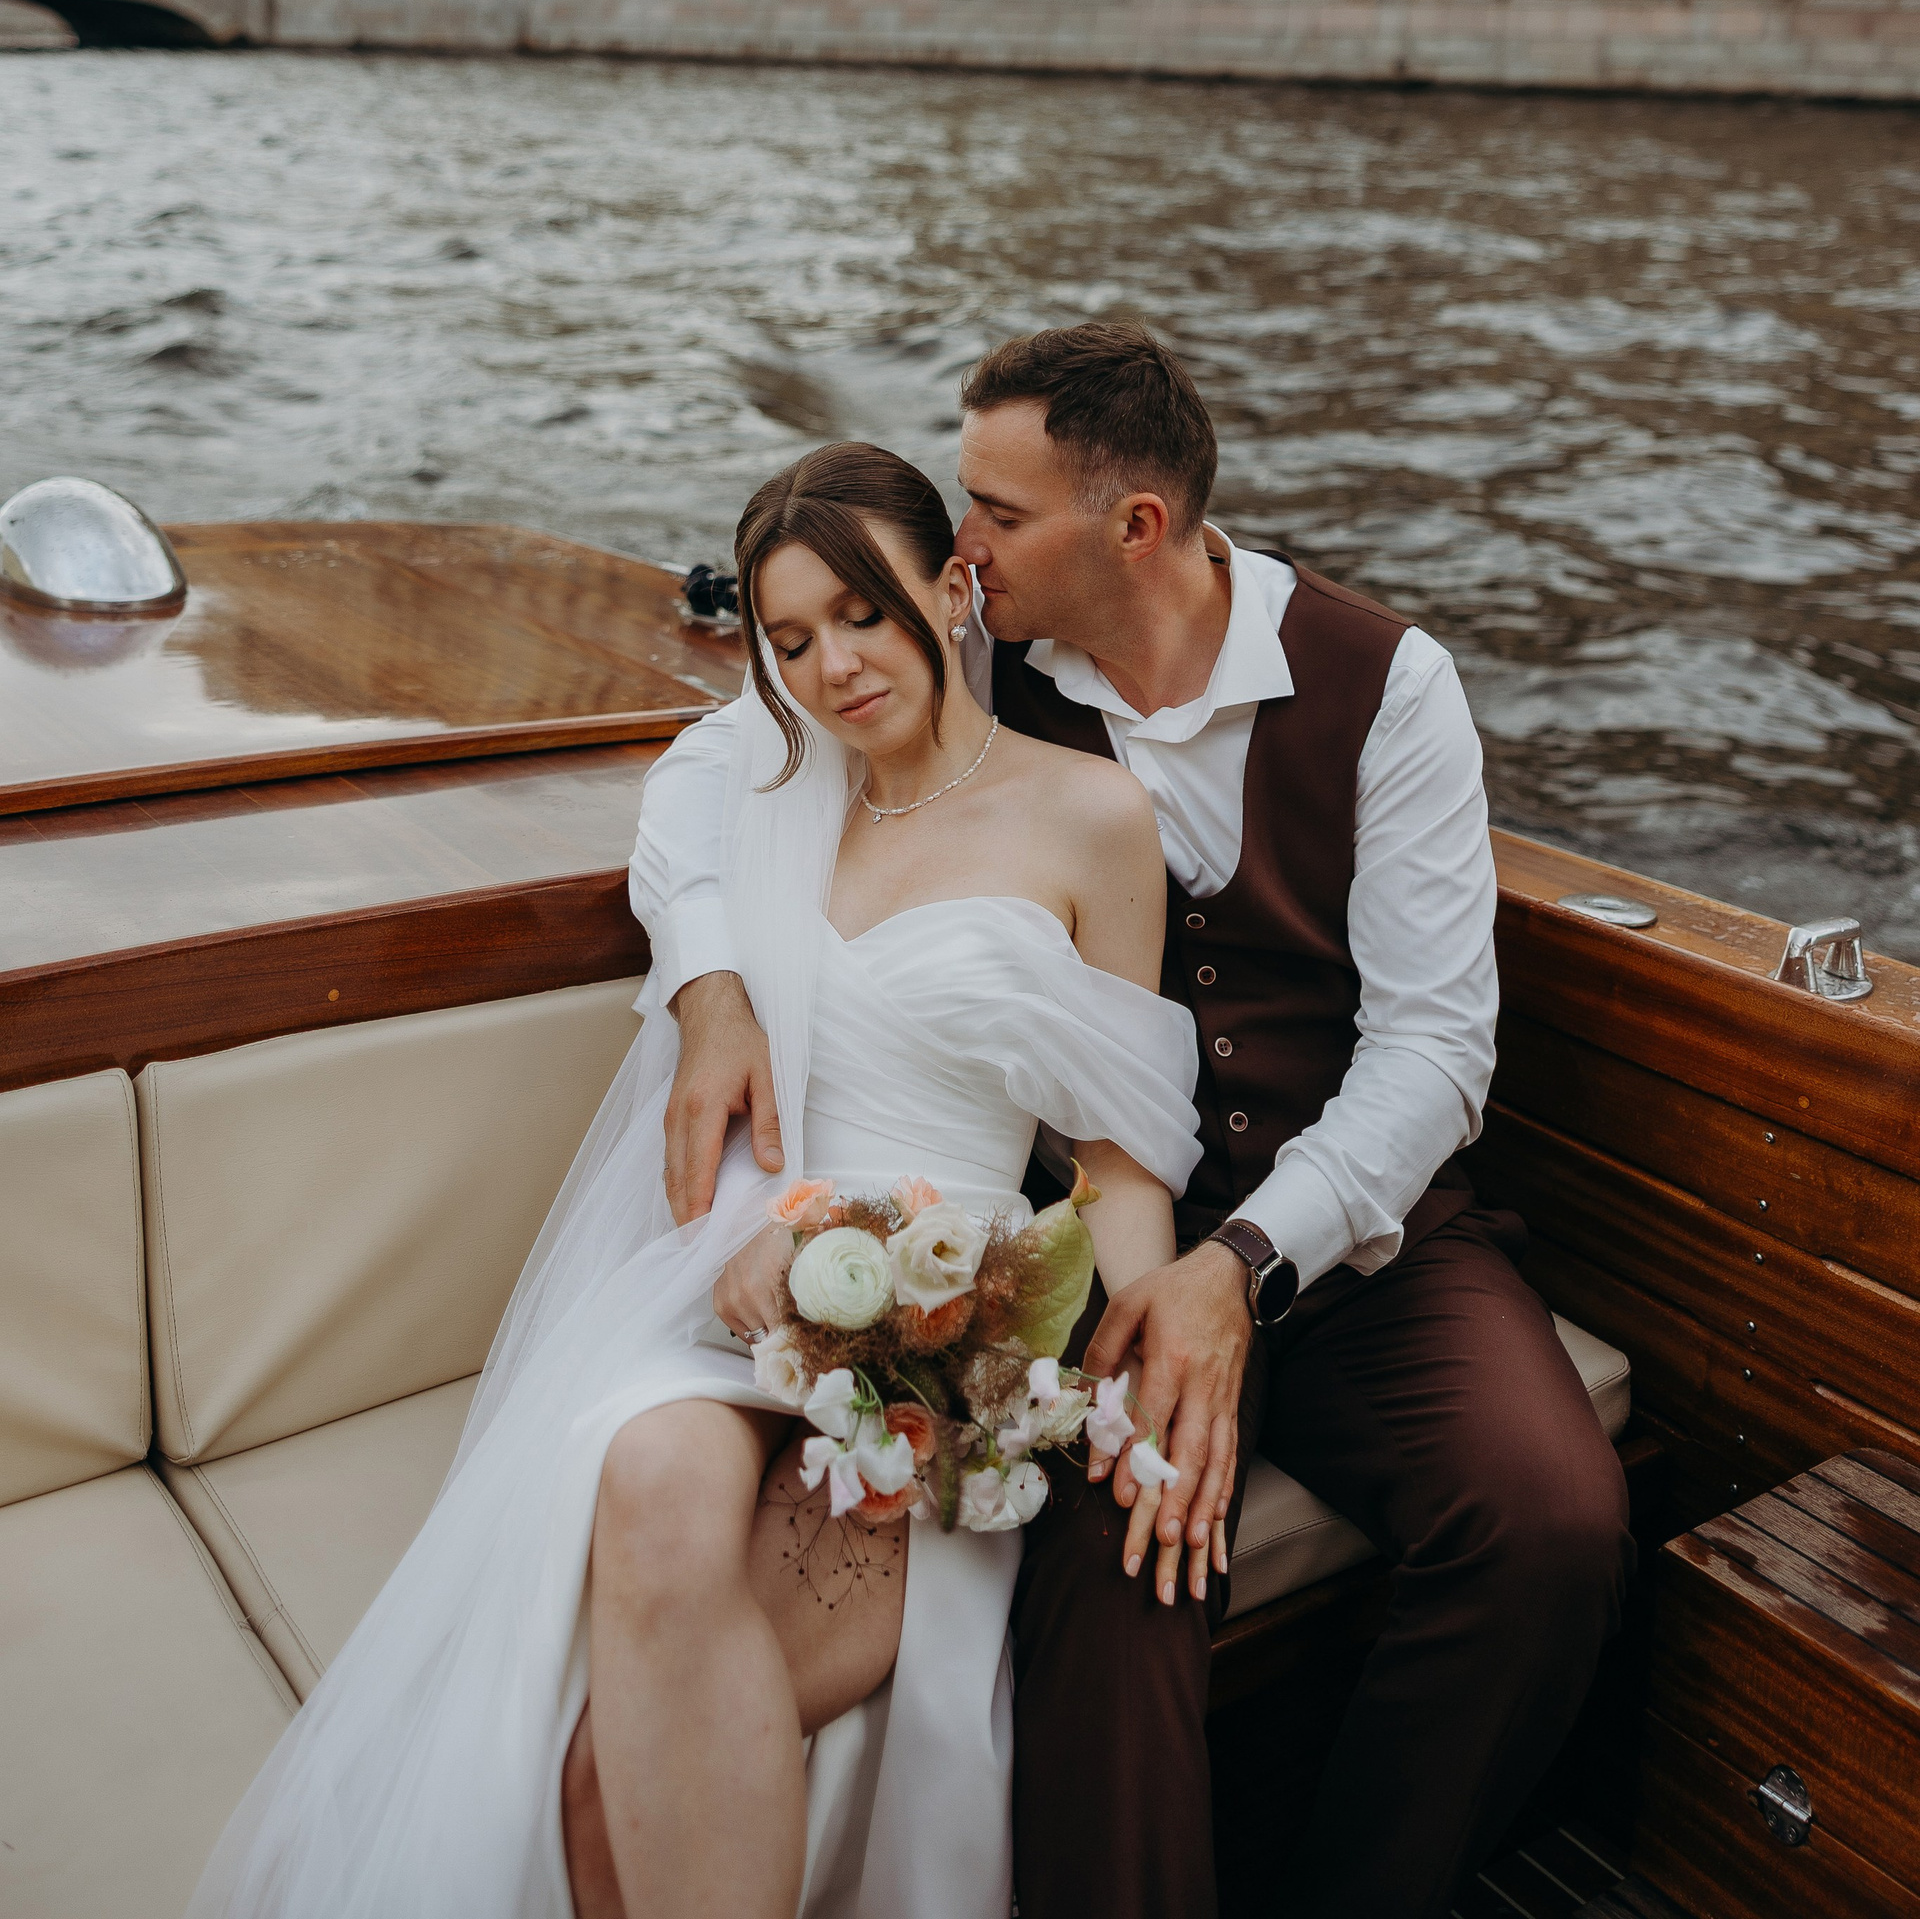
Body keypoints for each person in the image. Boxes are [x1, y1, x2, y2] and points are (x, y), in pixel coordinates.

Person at [649, 322, 1635, 1919]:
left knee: (1552, 1523)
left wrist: (1240, 1262)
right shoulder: (982, 656)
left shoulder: (1389, 685)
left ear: (1136, 525)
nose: (960, 548)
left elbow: (1437, 1051)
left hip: (1363, 1244)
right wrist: (710, 991)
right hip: (1097, 1252)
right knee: (1116, 1584)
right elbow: (713, 767)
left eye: (996, 511)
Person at [186, 442, 1204, 1919]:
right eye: (789, 640)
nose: (833, 668)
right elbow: (678, 805)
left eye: (862, 613)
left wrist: (1151, 1350)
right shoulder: (773, 777)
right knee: (649, 1467)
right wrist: (711, 989)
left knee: (600, 1785)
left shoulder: (1094, 819)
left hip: (936, 1312)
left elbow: (1119, 1157)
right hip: (732, 1274)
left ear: (951, 586)